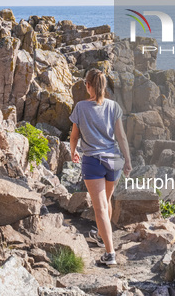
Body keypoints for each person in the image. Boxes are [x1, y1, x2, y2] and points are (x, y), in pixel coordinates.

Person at [69, 69, 132, 266]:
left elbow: (74, 136)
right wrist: (128, 161)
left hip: (93, 161)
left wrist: (73, 151)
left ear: (88, 85)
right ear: (103, 86)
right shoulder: (113, 106)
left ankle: (110, 253)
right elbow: (121, 137)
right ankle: (101, 235)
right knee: (106, 201)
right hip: (114, 160)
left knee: (100, 208)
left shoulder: (80, 107)